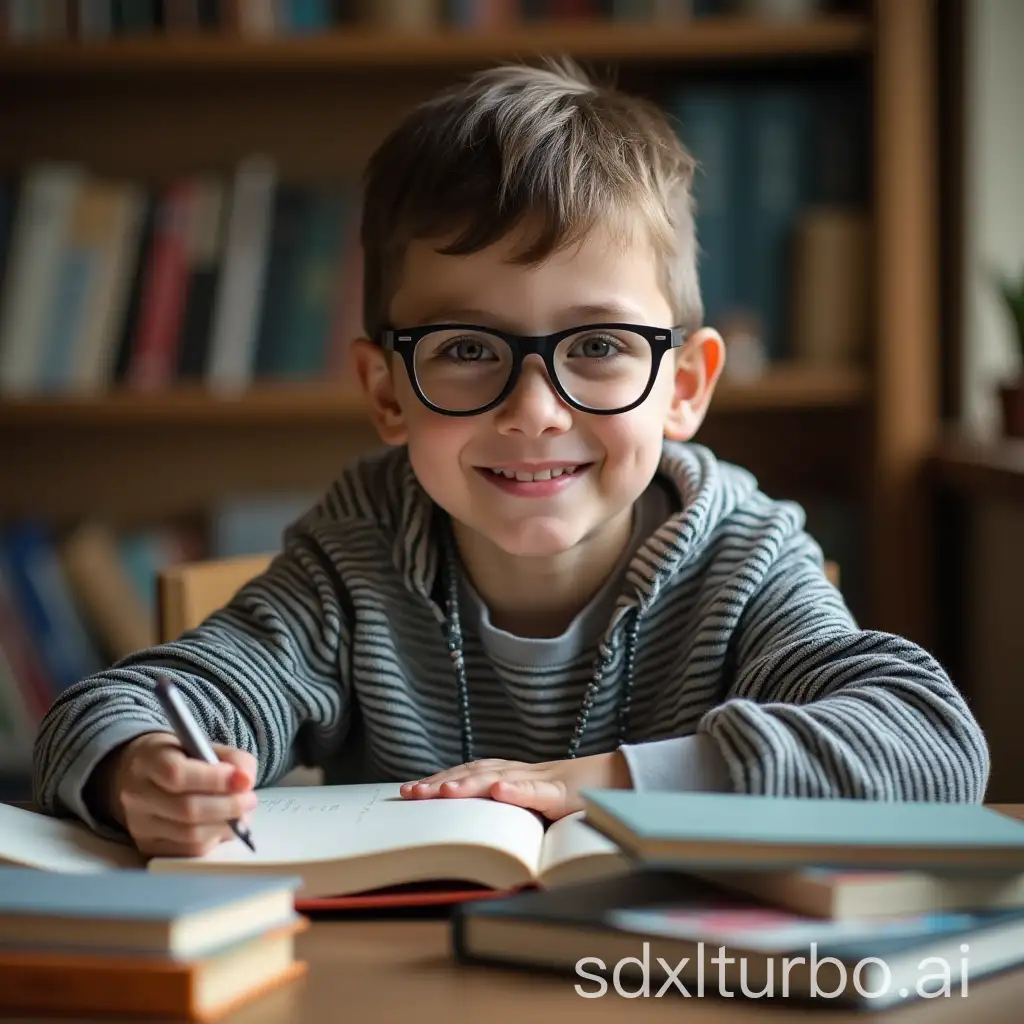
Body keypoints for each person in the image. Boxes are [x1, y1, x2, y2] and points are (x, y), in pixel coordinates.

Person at [32, 59, 988, 858]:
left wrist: (593, 783)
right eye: (465, 349)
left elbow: (932, 744)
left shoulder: (742, 556)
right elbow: (117, 705)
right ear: (385, 393)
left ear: (686, 386)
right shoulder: (356, 555)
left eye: (600, 347)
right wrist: (140, 771)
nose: (533, 412)